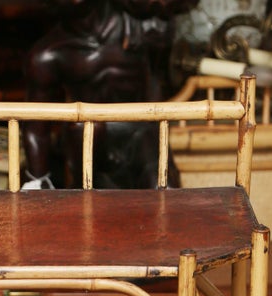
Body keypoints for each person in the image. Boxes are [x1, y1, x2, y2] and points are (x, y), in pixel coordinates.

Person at [23, 0, 197, 188]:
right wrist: (37, 180)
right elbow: (36, 126)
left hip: (141, 130)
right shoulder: (47, 55)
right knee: (84, 136)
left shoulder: (143, 26)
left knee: (164, 190)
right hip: (90, 137)